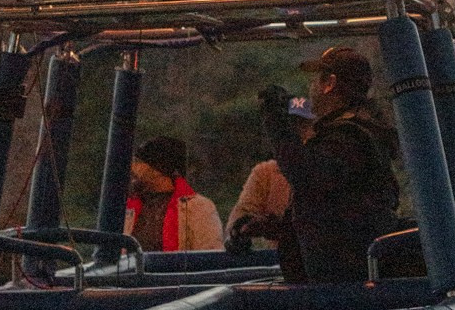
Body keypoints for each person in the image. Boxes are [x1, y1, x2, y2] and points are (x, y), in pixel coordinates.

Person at [261, 47, 399, 284]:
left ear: (329, 84)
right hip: (344, 276)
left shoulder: (348, 137)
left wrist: (278, 126)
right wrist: (272, 228)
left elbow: (307, 178)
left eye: (316, 80)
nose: (311, 88)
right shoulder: (359, 132)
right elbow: (334, 208)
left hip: (343, 286)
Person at [226, 86, 300, 251]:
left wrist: (281, 229)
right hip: (281, 267)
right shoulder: (267, 173)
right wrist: (243, 227)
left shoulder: (325, 168)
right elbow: (237, 221)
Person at [125, 134, 225, 254]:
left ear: (158, 169)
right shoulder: (127, 204)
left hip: (171, 272)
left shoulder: (199, 207)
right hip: (131, 272)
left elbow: (210, 257)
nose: (132, 167)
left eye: (138, 162)